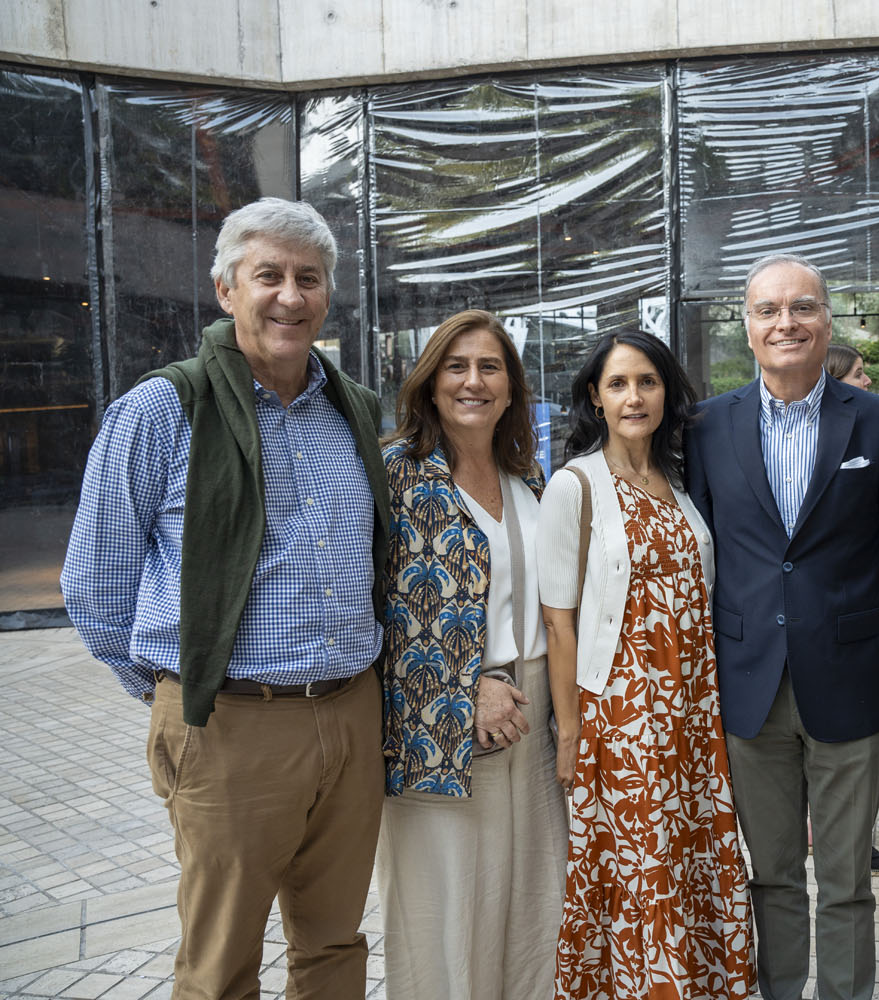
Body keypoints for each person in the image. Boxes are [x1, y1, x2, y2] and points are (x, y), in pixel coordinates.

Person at [61, 197, 388, 998]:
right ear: (225, 290)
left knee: (335, 947)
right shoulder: (161, 410)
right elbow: (94, 581)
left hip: (351, 713)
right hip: (230, 725)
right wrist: (176, 694)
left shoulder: (353, 409)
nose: (290, 296)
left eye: (309, 278)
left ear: (328, 293)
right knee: (220, 966)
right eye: (268, 275)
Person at [684, 253, 879, 1000]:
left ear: (827, 317)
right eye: (768, 310)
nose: (785, 322)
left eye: (802, 307)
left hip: (849, 680)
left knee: (847, 881)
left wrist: (848, 629)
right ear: (747, 325)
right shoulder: (706, 426)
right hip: (747, 686)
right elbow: (705, 548)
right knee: (772, 875)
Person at [540, 330, 754, 999]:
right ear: (595, 399)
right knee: (640, 869)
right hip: (624, 718)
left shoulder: (680, 479)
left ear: (667, 392)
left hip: (692, 711)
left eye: (647, 382)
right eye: (617, 384)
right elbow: (558, 620)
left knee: (689, 858)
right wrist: (570, 732)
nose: (634, 397)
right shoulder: (575, 486)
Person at [376, 309, 566, 999]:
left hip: (535, 717)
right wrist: (470, 684)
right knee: (447, 910)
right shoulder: (396, 474)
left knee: (536, 903)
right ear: (430, 383)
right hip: (440, 724)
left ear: (511, 388)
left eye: (490, 367)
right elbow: (369, 608)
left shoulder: (528, 476)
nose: (473, 382)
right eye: (456, 367)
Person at [823, 341, 879, 879]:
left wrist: (875, 622)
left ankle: (855, 841)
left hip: (856, 640)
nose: (867, 381)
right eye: (858, 373)